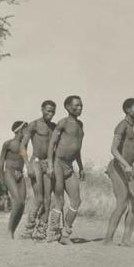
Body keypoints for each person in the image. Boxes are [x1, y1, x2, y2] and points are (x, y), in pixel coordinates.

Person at [103, 98, 134, 246]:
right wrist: (126, 165)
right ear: (127, 110)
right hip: (117, 168)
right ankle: (108, 239)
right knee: (122, 203)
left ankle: (126, 240)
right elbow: (113, 150)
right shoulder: (121, 126)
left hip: (127, 170)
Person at [47, 96, 85, 244]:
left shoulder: (81, 124)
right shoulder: (63, 123)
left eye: (81, 105)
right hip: (58, 164)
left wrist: (81, 167)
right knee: (60, 201)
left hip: (70, 166)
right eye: (76, 106)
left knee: (76, 201)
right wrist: (50, 165)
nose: (80, 108)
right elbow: (51, 145)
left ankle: (65, 233)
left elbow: (77, 148)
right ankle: (53, 232)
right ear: (68, 107)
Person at [20, 100, 57, 240]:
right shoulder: (34, 125)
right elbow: (22, 146)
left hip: (48, 163)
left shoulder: (54, 127)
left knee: (48, 199)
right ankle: (28, 229)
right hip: (35, 162)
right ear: (42, 109)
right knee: (39, 198)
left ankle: (41, 229)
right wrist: (27, 166)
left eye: (53, 111)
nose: (50, 113)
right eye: (48, 110)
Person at [0, 121, 28, 238]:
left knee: (22, 205)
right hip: (9, 173)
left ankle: (12, 231)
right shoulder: (8, 144)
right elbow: (1, 163)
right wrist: (1, 179)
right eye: (25, 129)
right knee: (18, 202)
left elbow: (24, 159)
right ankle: (9, 231)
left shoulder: (24, 144)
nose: (27, 132)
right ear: (19, 131)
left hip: (20, 174)